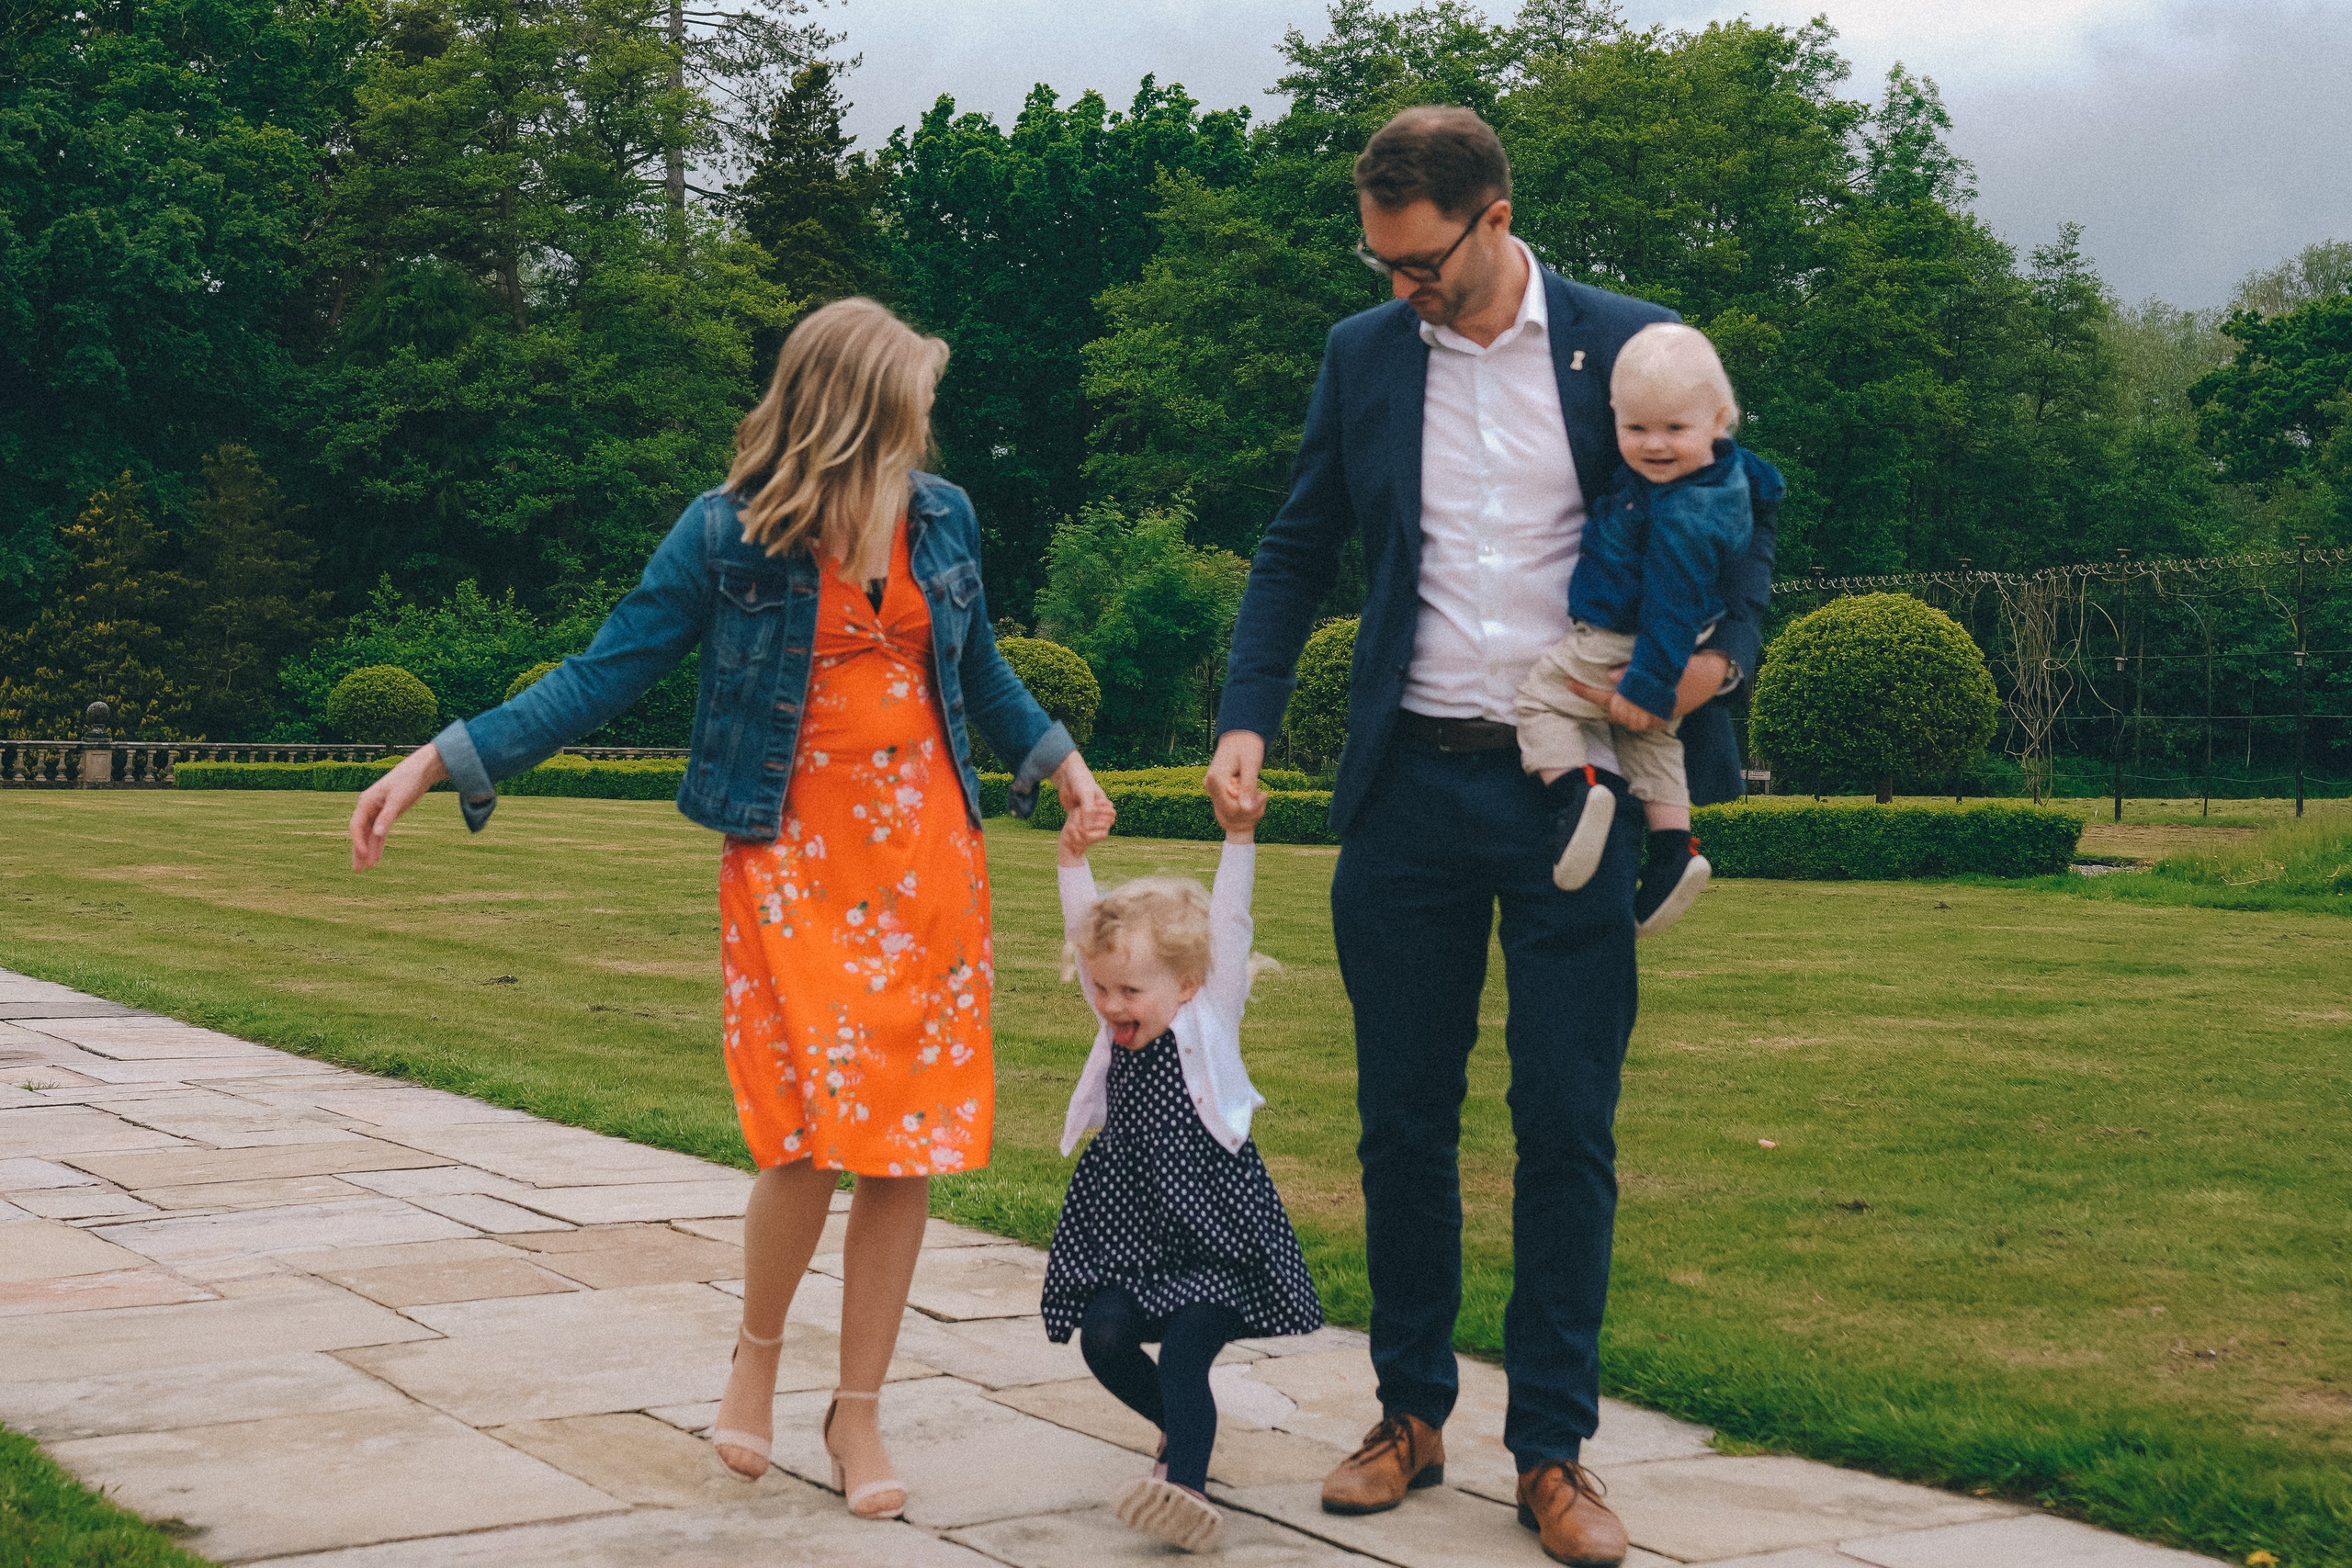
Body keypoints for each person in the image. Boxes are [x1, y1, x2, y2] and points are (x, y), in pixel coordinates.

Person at [347, 298, 1114, 1521]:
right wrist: (444, 757)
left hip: (928, 863)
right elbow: (605, 668)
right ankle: (756, 1355)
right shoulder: (730, 532)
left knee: (905, 1143)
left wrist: (1059, 759)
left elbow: (977, 669)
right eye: (910, 403)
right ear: (856, 409)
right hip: (792, 861)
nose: (924, 426)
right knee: (806, 1132)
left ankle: (857, 1408)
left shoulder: (943, 517)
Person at [1204, 107, 1775, 1567]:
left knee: (1566, 1119)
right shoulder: (1365, 355)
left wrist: (1723, 663)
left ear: (1496, 217)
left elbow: (1742, 525)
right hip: (1409, 787)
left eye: (1423, 263)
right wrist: (1247, 711)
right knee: (1404, 1118)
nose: (1403, 287)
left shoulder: (1632, 347)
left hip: (1574, 791)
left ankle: (1555, 1449)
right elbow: (1298, 542)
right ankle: (1408, 1412)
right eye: (1382, 262)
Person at [1041, 780, 1322, 1554]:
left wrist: (1240, 838)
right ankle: (1180, 1429)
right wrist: (1071, 858)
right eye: (1101, 988)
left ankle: (1187, 1486)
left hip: (1214, 1239)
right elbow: (1083, 930)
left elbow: (1229, 920)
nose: (1110, 1005)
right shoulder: (1114, 1022)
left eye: (1130, 990)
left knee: (1187, 1356)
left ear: (1189, 984)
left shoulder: (1209, 1012)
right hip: (1129, 1235)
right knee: (1102, 1340)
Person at [1515, 322, 1786, 937]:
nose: (1654, 445)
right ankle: (1672, 849)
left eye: (1673, 430)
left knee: (1540, 701)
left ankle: (1573, 795)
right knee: (1651, 741)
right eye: (1635, 429)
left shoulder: (1681, 513)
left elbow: (1670, 604)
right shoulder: (1726, 478)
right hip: (1662, 645)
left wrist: (1649, 683)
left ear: (1720, 420)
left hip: (1622, 639)